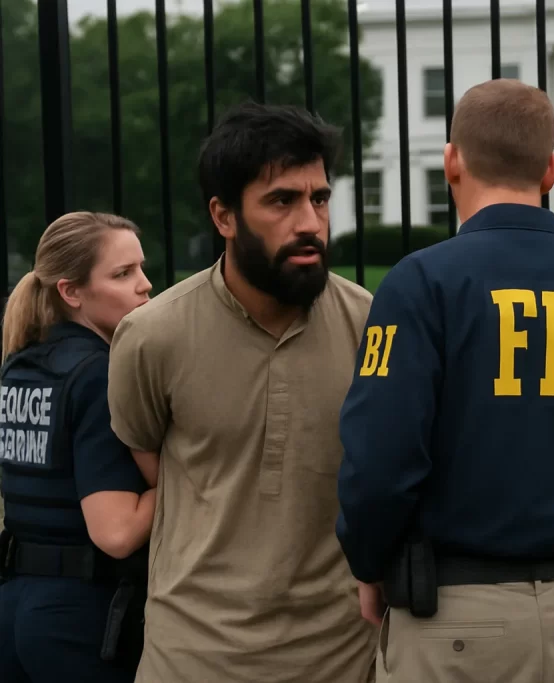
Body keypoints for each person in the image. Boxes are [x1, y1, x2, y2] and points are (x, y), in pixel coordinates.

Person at [334, 78, 554, 683]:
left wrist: (369, 561)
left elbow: (380, 462)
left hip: (453, 618)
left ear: (452, 161)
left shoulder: (420, 284)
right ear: (550, 170)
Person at [106, 103, 377, 683]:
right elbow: (153, 462)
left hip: (342, 655)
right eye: (282, 201)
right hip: (193, 656)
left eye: (320, 199)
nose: (310, 222)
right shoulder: (153, 336)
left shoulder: (371, 326)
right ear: (223, 217)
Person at [0, 211, 153, 682]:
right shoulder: (97, 373)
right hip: (78, 619)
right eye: (122, 274)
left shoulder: (21, 364)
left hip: (15, 608)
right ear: (71, 292)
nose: (145, 285)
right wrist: (191, 475)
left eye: (141, 268)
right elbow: (117, 532)